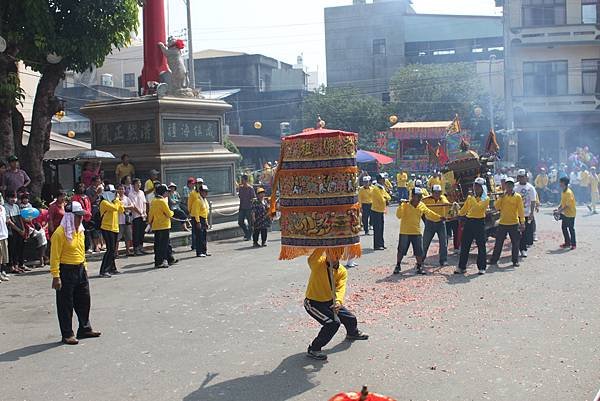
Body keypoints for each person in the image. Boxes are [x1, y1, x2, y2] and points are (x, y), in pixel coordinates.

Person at [50, 201, 101, 345]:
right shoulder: (60, 234)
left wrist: (84, 267)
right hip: (66, 270)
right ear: (70, 216)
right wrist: (56, 276)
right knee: (65, 304)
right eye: (78, 216)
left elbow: (81, 251)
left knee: (84, 300)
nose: (80, 219)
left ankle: (84, 328)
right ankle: (67, 334)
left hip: (79, 269)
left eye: (81, 216)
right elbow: (54, 257)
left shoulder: (81, 231)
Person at [304, 249, 368, 360]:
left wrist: (338, 302)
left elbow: (340, 289)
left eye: (337, 254)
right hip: (313, 303)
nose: (334, 256)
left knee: (350, 318)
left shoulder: (342, 271)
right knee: (332, 324)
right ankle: (314, 348)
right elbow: (312, 257)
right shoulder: (317, 263)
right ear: (327, 253)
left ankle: (352, 333)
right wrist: (323, 245)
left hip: (331, 301)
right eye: (332, 253)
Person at [394, 187, 442, 275]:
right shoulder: (405, 205)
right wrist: (401, 206)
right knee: (401, 250)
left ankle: (419, 266)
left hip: (416, 231)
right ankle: (398, 265)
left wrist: (439, 217)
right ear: (412, 196)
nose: (419, 198)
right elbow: (399, 216)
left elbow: (429, 213)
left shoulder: (421, 205)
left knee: (419, 251)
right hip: (405, 231)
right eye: (417, 196)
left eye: (420, 196)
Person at [456, 178, 490, 275]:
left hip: (479, 222)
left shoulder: (485, 198)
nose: (476, 188)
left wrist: (472, 198)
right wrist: (458, 214)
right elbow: (465, 208)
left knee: (481, 245)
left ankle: (482, 267)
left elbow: (478, 208)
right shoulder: (470, 198)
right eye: (475, 186)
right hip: (469, 221)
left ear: (483, 188)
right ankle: (462, 267)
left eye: (479, 186)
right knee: (465, 244)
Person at [489, 177, 525, 268]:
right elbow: (496, 207)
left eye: (510, 185)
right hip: (503, 223)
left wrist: (522, 222)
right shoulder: (502, 196)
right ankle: (494, 260)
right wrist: (500, 198)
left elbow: (521, 210)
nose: (509, 186)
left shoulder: (518, 197)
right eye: (507, 185)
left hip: (514, 223)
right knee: (498, 243)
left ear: (513, 186)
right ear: (505, 186)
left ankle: (515, 261)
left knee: (515, 243)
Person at [148, 184, 178, 267]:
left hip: (156, 225)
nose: (167, 193)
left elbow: (151, 214)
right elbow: (169, 213)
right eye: (166, 192)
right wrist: (172, 212)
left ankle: (163, 260)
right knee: (164, 245)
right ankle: (162, 260)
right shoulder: (162, 201)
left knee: (158, 244)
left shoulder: (154, 201)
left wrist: (149, 222)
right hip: (164, 225)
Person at [422, 185, 451, 267]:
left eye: (439, 192)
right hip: (429, 223)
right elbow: (418, 203)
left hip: (440, 222)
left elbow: (446, 203)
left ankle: (443, 260)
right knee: (425, 242)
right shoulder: (426, 199)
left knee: (443, 242)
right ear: (432, 193)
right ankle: (421, 259)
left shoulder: (443, 198)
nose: (437, 194)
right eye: (435, 192)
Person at [98, 185, 123, 277]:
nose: (114, 194)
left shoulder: (113, 202)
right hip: (107, 228)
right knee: (110, 249)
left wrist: (118, 201)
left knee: (113, 250)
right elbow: (115, 208)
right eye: (113, 193)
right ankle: (104, 270)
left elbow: (121, 210)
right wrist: (117, 200)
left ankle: (112, 268)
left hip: (114, 227)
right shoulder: (104, 202)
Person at [514, 169, 537, 258]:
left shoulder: (530, 188)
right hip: (516, 214)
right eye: (519, 177)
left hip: (526, 213)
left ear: (526, 177)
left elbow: (533, 201)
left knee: (524, 233)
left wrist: (532, 213)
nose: (521, 178)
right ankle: (519, 249)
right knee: (516, 233)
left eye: (523, 177)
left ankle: (523, 248)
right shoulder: (515, 187)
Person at [5, 191, 26, 273]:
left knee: (18, 248)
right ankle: (11, 266)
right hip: (11, 231)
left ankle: (17, 265)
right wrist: (19, 230)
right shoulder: (5, 207)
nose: (13, 199)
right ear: (7, 198)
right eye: (11, 197)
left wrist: (23, 229)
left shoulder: (16, 206)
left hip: (19, 230)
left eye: (15, 197)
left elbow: (20, 218)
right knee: (12, 248)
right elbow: (9, 221)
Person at [555, 177, 576, 250]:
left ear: (563, 183)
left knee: (571, 229)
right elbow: (562, 202)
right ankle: (567, 243)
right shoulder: (563, 191)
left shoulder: (568, 192)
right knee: (564, 227)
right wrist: (558, 208)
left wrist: (559, 211)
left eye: (560, 182)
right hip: (565, 214)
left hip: (570, 214)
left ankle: (573, 244)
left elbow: (567, 205)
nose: (559, 184)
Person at [371, 174, 391, 251]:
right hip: (376, 210)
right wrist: (386, 199)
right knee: (377, 229)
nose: (384, 180)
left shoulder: (382, 188)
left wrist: (386, 198)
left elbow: (388, 196)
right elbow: (381, 199)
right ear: (379, 180)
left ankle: (381, 243)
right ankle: (377, 245)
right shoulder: (376, 188)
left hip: (381, 210)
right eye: (383, 179)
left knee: (381, 228)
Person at [72, 183, 93, 253]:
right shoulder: (75, 197)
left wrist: (89, 213)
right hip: (80, 217)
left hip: (87, 217)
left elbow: (89, 206)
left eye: (83, 187)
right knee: (81, 232)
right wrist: (85, 213)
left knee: (88, 232)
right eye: (80, 187)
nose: (81, 189)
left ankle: (88, 247)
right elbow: (77, 207)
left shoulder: (86, 197)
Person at [128, 178, 147, 256]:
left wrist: (144, 212)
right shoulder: (131, 194)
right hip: (136, 216)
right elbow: (133, 206)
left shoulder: (141, 192)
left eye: (140, 183)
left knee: (142, 232)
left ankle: (141, 247)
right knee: (136, 232)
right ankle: (136, 249)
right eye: (137, 183)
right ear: (133, 185)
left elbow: (144, 203)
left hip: (143, 215)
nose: (139, 185)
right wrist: (140, 213)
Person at [116, 184, 134, 256]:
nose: (121, 190)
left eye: (122, 189)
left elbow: (132, 206)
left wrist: (125, 207)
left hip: (127, 220)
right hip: (118, 220)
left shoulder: (126, 198)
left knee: (128, 236)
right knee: (118, 238)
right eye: (119, 189)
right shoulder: (115, 199)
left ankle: (128, 251)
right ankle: (116, 252)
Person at [237, 174, 256, 241]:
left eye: (243, 180)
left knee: (250, 223)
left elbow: (253, 198)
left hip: (249, 207)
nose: (242, 181)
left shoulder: (250, 188)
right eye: (241, 180)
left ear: (246, 180)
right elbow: (240, 197)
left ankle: (249, 236)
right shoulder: (240, 188)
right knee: (240, 221)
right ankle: (247, 232)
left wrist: (253, 208)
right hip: (242, 207)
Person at [0, 198, 10, 282]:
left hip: (4, 235)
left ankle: (2, 272)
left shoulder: (3, 209)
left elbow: (6, 220)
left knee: (4, 256)